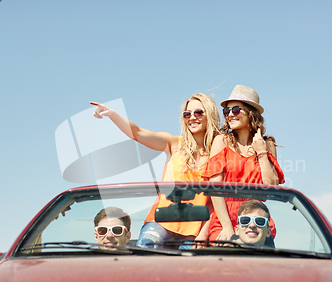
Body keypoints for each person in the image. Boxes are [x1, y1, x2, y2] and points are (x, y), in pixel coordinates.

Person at [91, 93, 220, 248]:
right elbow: (138, 133)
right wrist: (112, 114)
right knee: (144, 262)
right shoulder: (174, 144)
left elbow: (217, 200)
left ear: (210, 114)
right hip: (160, 222)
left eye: (198, 112)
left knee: (187, 270)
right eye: (187, 114)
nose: (192, 117)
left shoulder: (219, 151)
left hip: (194, 230)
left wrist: (204, 233)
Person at [202, 85, 285, 242]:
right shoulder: (221, 141)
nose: (230, 115)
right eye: (227, 111)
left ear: (251, 112)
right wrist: (227, 227)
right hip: (224, 218)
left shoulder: (267, 145)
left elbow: (271, 188)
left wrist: (261, 153)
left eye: (236, 110)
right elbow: (215, 188)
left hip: (256, 220)